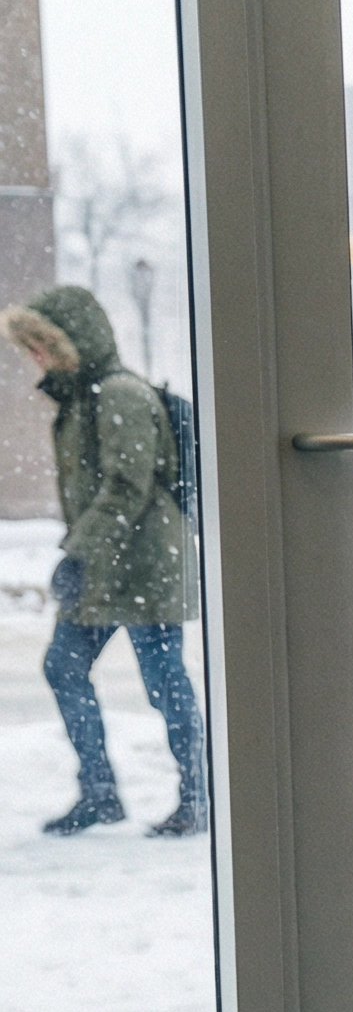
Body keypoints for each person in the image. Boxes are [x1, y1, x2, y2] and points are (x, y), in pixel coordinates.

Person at [4, 286, 206, 838]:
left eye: (43, 346)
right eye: (31, 348)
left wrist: (77, 553)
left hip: (144, 562)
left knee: (164, 680)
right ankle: (99, 793)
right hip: (105, 560)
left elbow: (127, 485)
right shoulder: (80, 398)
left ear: (73, 344)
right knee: (64, 667)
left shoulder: (118, 394)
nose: (36, 359)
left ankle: (198, 797)